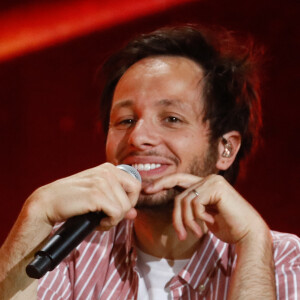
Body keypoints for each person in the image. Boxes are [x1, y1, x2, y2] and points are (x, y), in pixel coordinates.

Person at [0, 25, 299, 300]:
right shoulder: (71, 250)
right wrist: (37, 212)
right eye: (125, 120)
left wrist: (252, 242)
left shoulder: (285, 259)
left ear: (225, 148)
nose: (138, 137)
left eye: (171, 119)